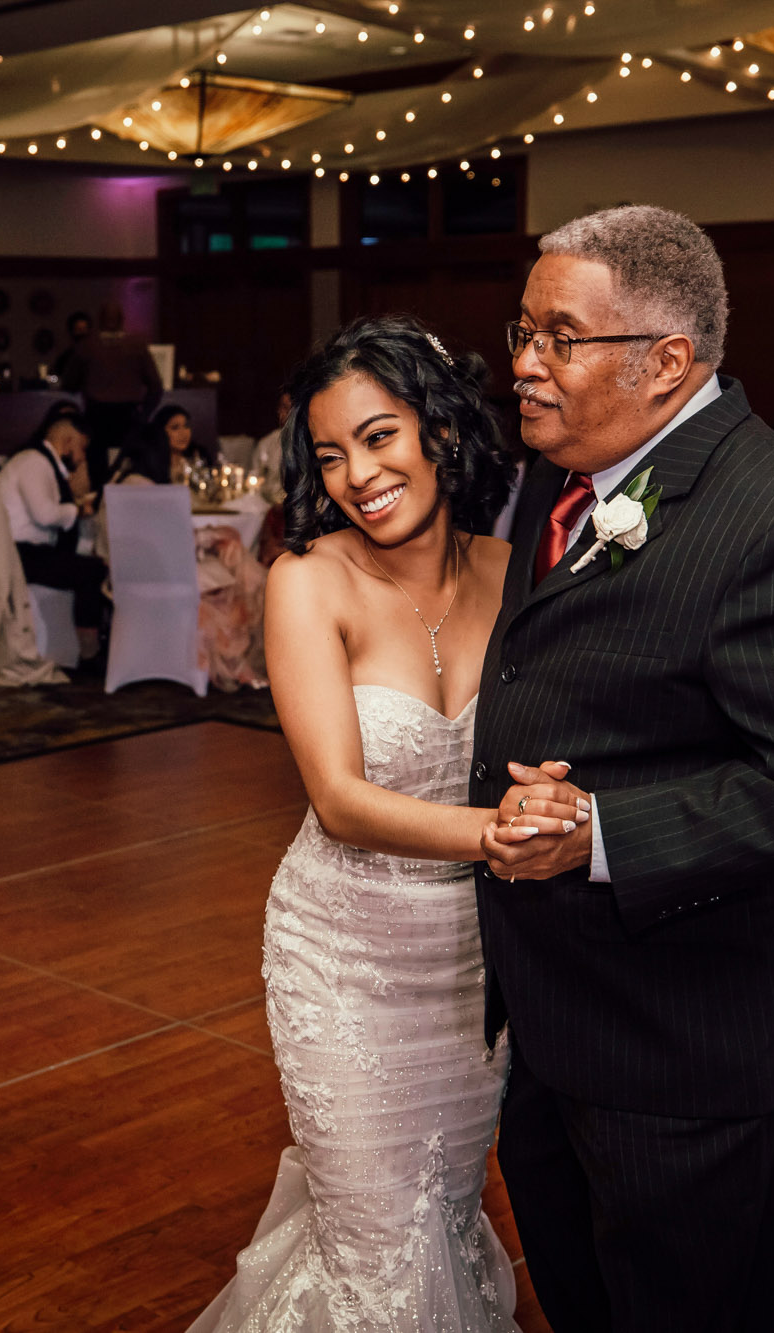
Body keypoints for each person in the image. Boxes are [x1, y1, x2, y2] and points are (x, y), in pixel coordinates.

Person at [473, 205, 774, 1331]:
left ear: (667, 362)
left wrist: (601, 833)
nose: (522, 364)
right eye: (520, 331)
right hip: (555, 1015)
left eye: (556, 338)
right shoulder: (561, 474)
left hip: (689, 1048)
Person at [190, 316, 523, 1330]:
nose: (355, 474)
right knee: (378, 1243)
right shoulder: (308, 581)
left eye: (378, 437)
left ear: (440, 431)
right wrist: (500, 835)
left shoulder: (514, 574)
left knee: (441, 1219)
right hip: (343, 957)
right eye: (328, 454)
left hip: (473, 966)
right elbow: (336, 797)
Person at [0, 402, 106, 663]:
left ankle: (83, 644)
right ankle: (88, 650)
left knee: (90, 565)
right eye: (81, 448)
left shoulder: (36, 461)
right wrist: (77, 511)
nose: (81, 458)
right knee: (93, 571)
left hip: (23, 551)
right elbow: (44, 514)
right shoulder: (33, 462)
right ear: (68, 442)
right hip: (19, 555)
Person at [65, 301, 160, 486]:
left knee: (98, 469)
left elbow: (69, 384)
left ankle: (99, 499)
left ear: (99, 321)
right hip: (129, 416)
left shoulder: (87, 346)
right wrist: (144, 415)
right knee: (131, 466)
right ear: (122, 320)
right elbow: (156, 386)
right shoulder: (137, 346)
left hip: (96, 416)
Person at [250, 391, 292, 499]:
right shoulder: (268, 443)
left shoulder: (314, 441)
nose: (289, 412)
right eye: (285, 407)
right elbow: (255, 477)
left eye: (293, 408)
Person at [51, 309, 91, 386]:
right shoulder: (65, 357)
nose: (82, 334)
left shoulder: (96, 356)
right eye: (78, 330)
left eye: (84, 329)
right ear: (72, 332)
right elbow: (55, 377)